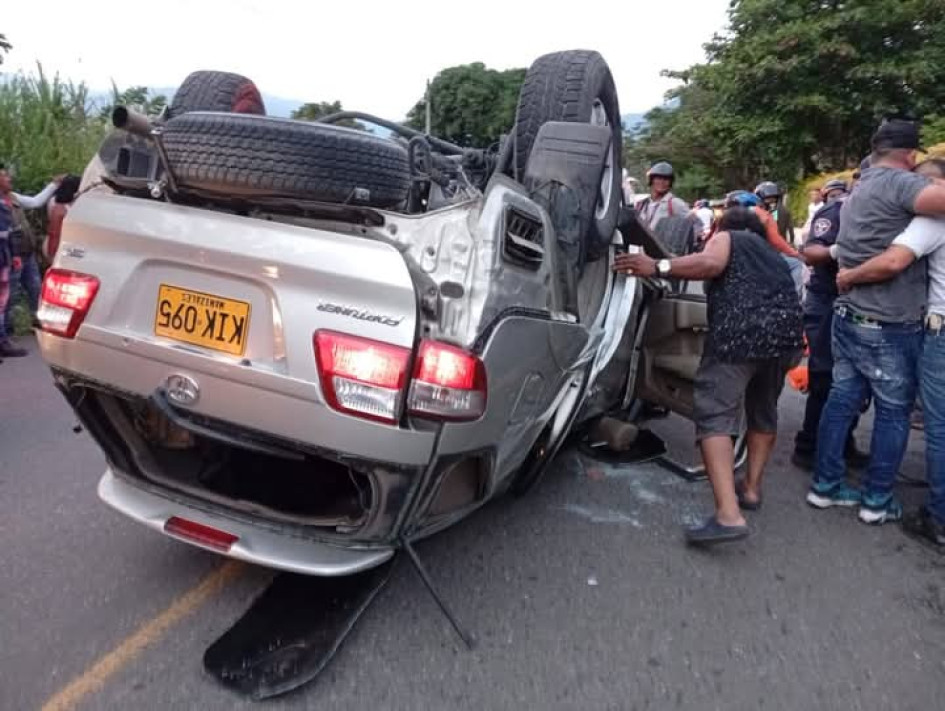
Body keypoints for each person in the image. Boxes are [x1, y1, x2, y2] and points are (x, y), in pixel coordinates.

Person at [615, 207, 803, 544]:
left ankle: (729, 516)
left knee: (714, 414)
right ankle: (751, 489)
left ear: (721, 228)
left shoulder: (730, 237)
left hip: (740, 336)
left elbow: (711, 264)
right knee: (763, 411)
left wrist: (659, 266)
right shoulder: (772, 256)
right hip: (785, 340)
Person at [807, 119, 945, 524]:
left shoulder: (860, 185)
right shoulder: (900, 184)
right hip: (888, 321)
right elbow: (896, 260)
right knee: (892, 411)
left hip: (848, 314)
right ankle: (876, 500)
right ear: (909, 155)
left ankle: (825, 486)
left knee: (842, 398)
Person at [835, 158, 945, 547]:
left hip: (919, 322)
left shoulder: (930, 219)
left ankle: (896, 506)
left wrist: (847, 275)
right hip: (900, 322)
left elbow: (894, 260)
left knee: (921, 421)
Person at [792, 179, 869, 471]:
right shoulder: (835, 211)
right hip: (826, 301)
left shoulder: (881, 212)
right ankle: (808, 446)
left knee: (854, 381)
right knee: (824, 375)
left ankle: (842, 442)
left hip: (858, 303)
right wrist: (840, 250)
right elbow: (811, 253)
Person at [0, 165, 60, 337]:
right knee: (8, 295)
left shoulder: (13, 198)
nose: (9, 179)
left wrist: (53, 185)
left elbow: (35, 202)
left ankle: (40, 323)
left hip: (27, 254)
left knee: (35, 288)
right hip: (10, 257)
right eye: (4, 177)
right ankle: (7, 332)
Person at [635, 161, 689, 230]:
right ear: (651, 180)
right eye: (658, 178)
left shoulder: (675, 203)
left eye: (666, 179)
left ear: (670, 182)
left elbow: (695, 225)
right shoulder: (641, 204)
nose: (662, 182)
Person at [45, 174, 81, 261]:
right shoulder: (61, 209)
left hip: (65, 247)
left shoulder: (54, 203)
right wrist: (52, 255)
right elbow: (54, 234)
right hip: (64, 248)